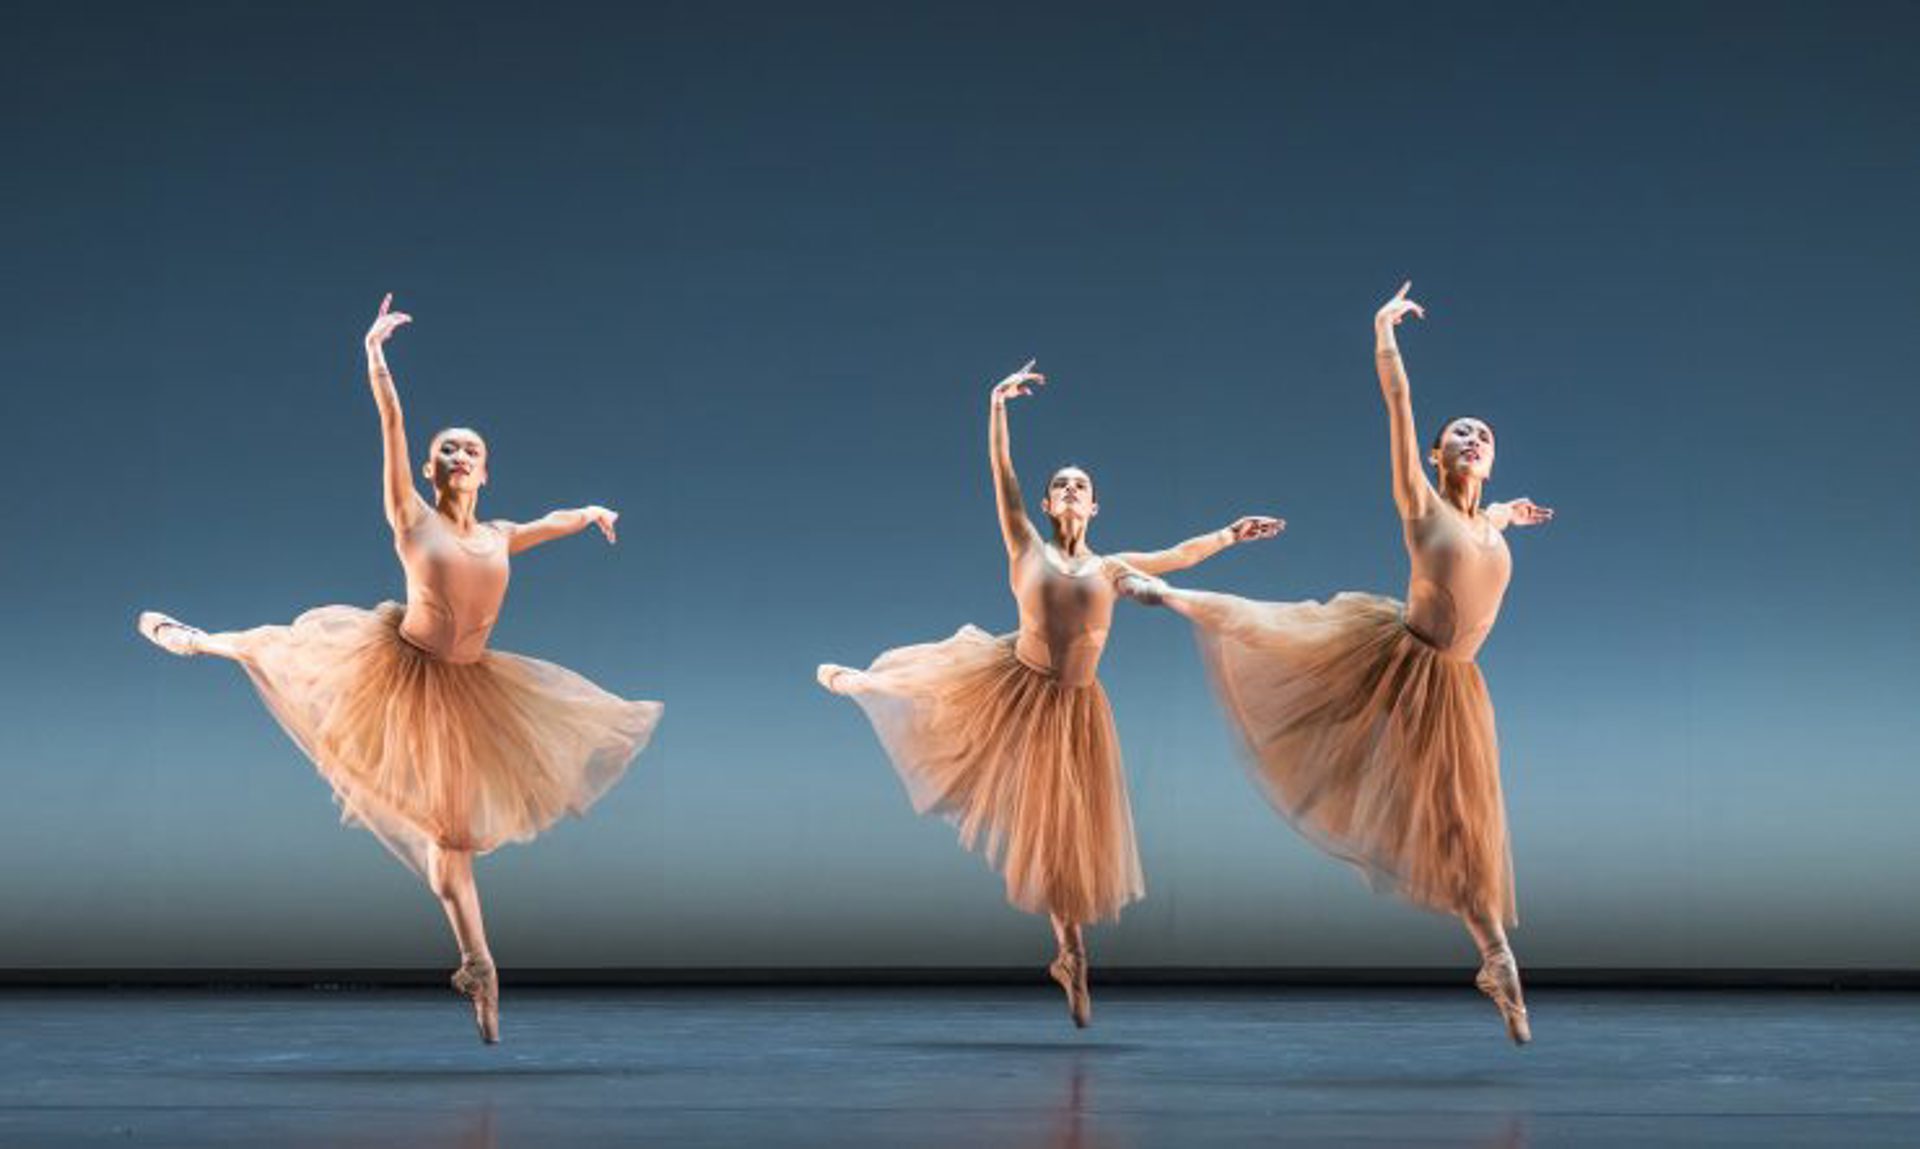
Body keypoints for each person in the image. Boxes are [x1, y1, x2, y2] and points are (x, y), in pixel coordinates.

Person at [136, 294, 663, 1043]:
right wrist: (375, 357)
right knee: (284, 646)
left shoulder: (501, 533)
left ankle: (478, 963)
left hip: (473, 689)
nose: (457, 456)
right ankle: (198, 640)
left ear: (486, 470)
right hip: (404, 670)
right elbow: (390, 420)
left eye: (470, 450)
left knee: (450, 841)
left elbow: (551, 520)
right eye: (447, 448)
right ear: (430, 465)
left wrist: (591, 511)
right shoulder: (409, 515)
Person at [1120, 284, 1552, 1044]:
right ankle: (1165, 593)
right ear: (1436, 454)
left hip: (1457, 687)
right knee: (1278, 634)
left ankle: (1494, 958)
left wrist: (1513, 511)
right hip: (1401, 660)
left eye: (1484, 433)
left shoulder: (1489, 518)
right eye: (1460, 433)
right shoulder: (1422, 503)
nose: (1473, 437)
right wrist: (1385, 331)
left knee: (1461, 828)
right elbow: (1399, 403)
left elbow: (1499, 515)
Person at [819, 360, 1281, 1027]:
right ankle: (851, 679)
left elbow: (1179, 555)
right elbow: (1001, 479)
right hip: (1016, 688)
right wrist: (996, 406)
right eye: (1059, 484)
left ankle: (1069, 953)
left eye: (1081, 485)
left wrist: (1231, 533)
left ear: (1095, 507)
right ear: (1047, 504)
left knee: (1067, 837)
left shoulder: (1113, 565)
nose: (1069, 489)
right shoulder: (1026, 547)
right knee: (917, 696)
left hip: (1080, 709)